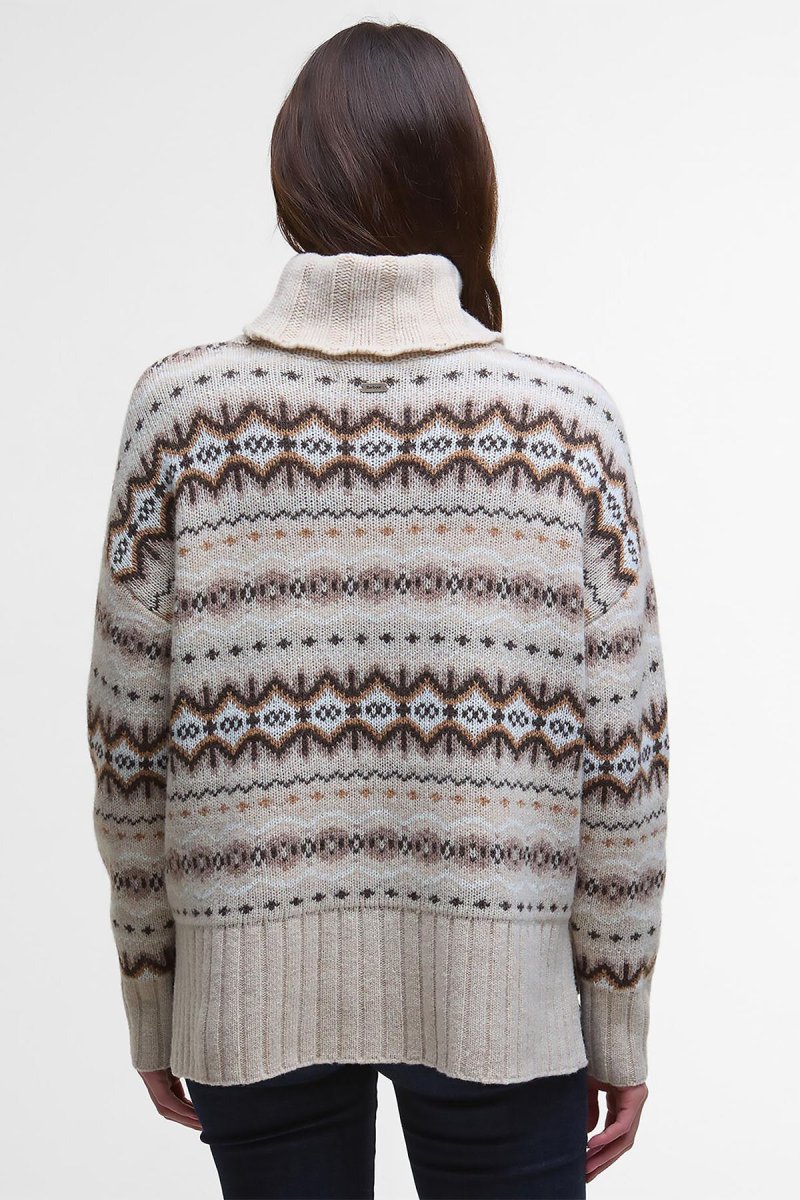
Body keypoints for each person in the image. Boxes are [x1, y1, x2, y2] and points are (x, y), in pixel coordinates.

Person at [86, 19, 669, 1200]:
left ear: (293, 176)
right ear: (466, 181)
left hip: (248, 993)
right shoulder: (561, 426)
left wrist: (156, 992)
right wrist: (615, 1019)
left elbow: (124, 747)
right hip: (501, 999)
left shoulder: (184, 415)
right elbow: (625, 761)